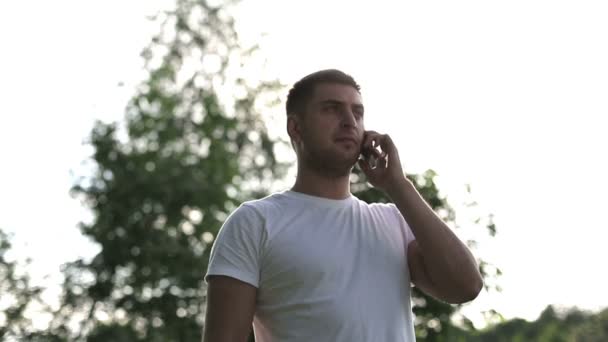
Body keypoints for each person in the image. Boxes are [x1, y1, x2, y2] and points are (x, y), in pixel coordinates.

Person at [202, 69, 483, 342]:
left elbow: (466, 286)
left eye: (357, 112)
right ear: (296, 127)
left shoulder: (395, 222)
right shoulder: (255, 222)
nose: (349, 121)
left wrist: (398, 185)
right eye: (331, 109)